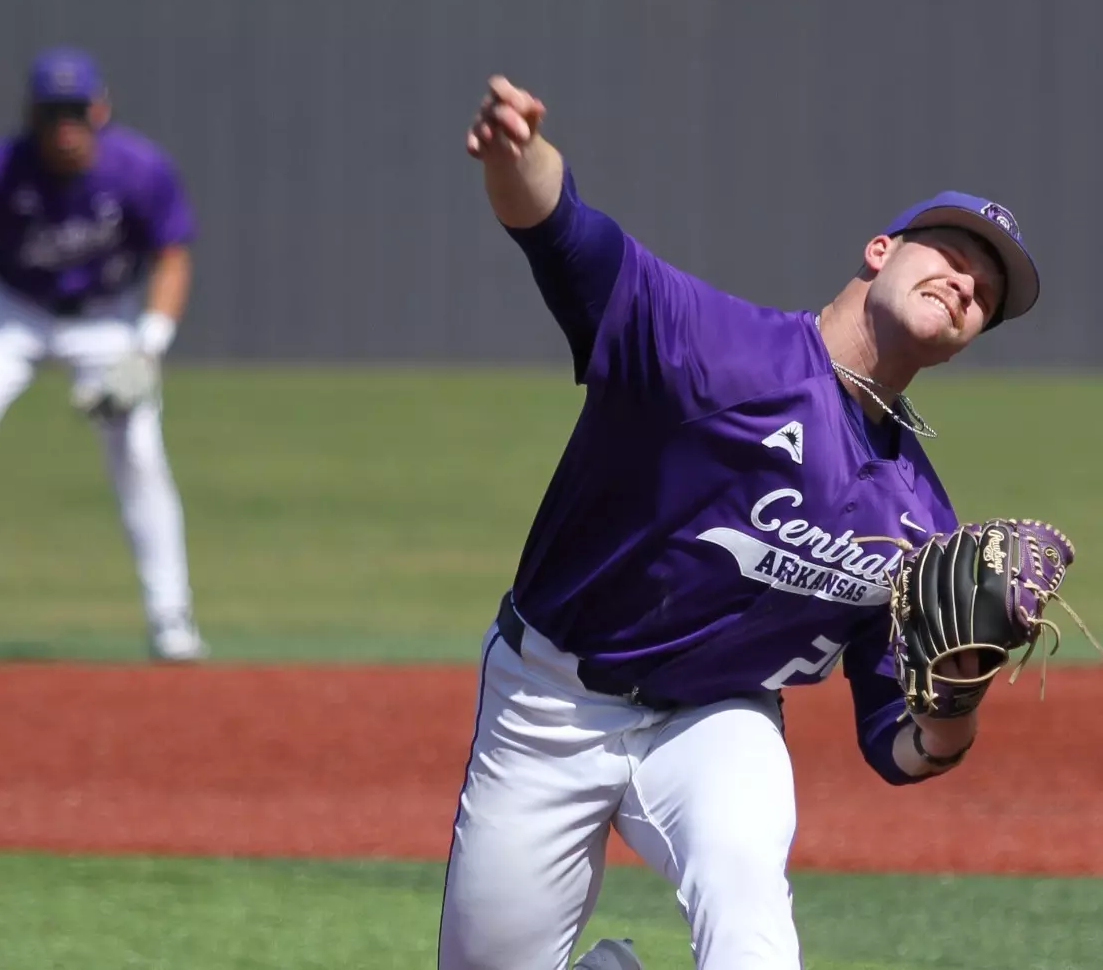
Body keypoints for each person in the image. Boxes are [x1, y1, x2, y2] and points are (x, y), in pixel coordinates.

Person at [438, 76, 1043, 970]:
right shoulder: (716, 350)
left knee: (747, 910)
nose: (966, 282)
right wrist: (519, 154)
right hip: (549, 698)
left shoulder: (917, 520)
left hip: (719, 721)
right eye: (951, 254)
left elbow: (899, 746)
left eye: (986, 291)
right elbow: (565, 233)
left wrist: (955, 704)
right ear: (879, 252)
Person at [0, 47, 205, 663]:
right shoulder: (0, 168)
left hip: (105, 318)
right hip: (13, 313)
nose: (65, 126)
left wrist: (148, 348)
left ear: (99, 108)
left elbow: (172, 256)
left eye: (76, 110)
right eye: (53, 112)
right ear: (31, 114)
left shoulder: (138, 169)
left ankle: (171, 614)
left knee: (137, 453)